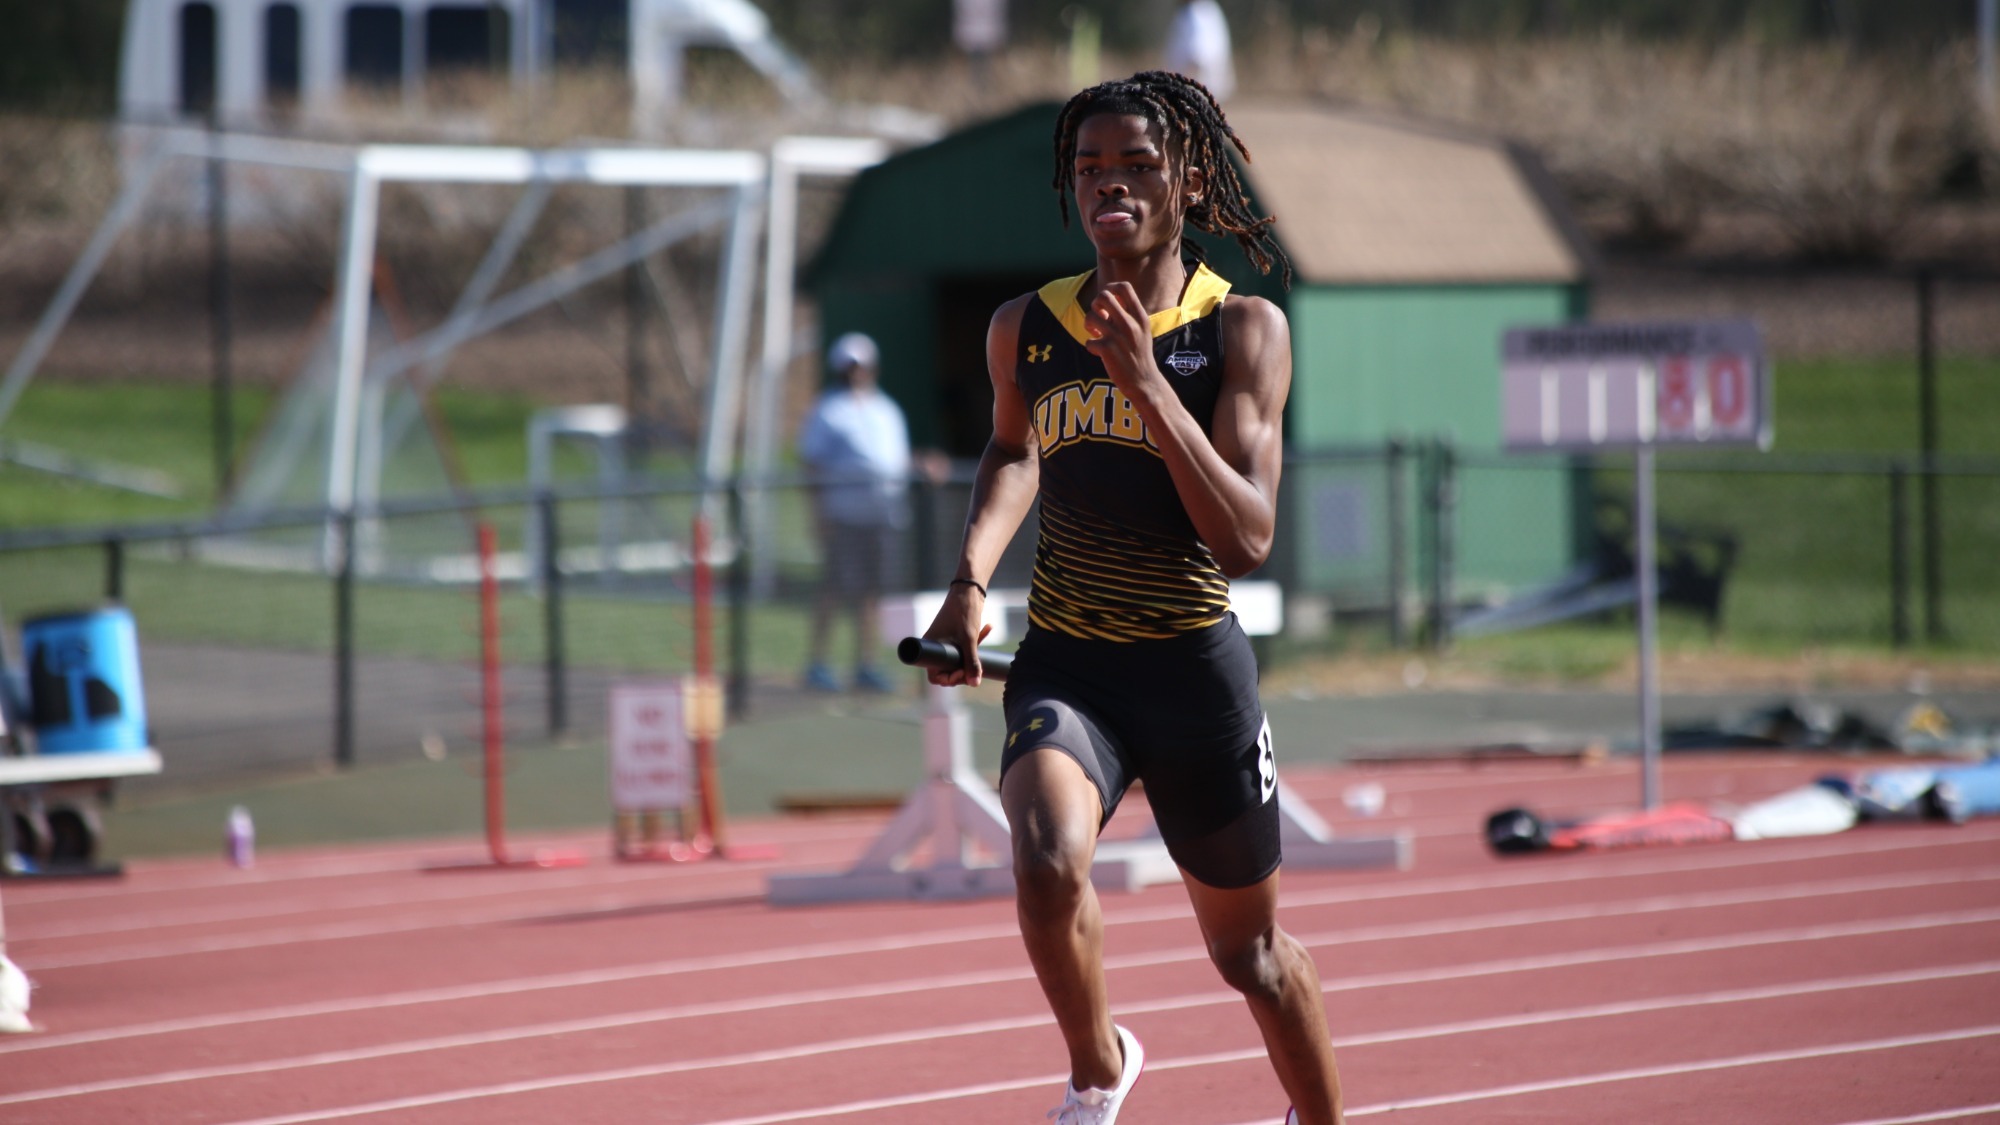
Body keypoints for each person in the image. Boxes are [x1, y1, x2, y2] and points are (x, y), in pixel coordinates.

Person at [921, 72, 1340, 1125]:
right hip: (1072, 666)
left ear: (1187, 181)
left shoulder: (1241, 329)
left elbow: (1246, 539)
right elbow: (1013, 450)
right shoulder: (1027, 325)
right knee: (1044, 859)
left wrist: (1148, 383)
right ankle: (1097, 1069)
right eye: (1089, 167)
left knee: (1250, 956)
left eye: (1137, 165)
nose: (1109, 183)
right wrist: (969, 581)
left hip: (1193, 675)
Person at [798, 332, 912, 694]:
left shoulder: (886, 410)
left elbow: (896, 460)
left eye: (861, 365)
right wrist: (818, 515)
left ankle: (867, 663)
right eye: (849, 366)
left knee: (871, 592)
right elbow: (812, 465)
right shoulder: (827, 411)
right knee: (833, 589)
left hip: (882, 517)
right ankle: (818, 662)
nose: (856, 372)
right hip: (843, 516)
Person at [1164, 0, 1235, 102]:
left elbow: (1197, 48)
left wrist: (1191, 71)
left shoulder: (1194, 12)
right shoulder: (1209, 9)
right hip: (1203, 77)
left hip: (1196, 77)